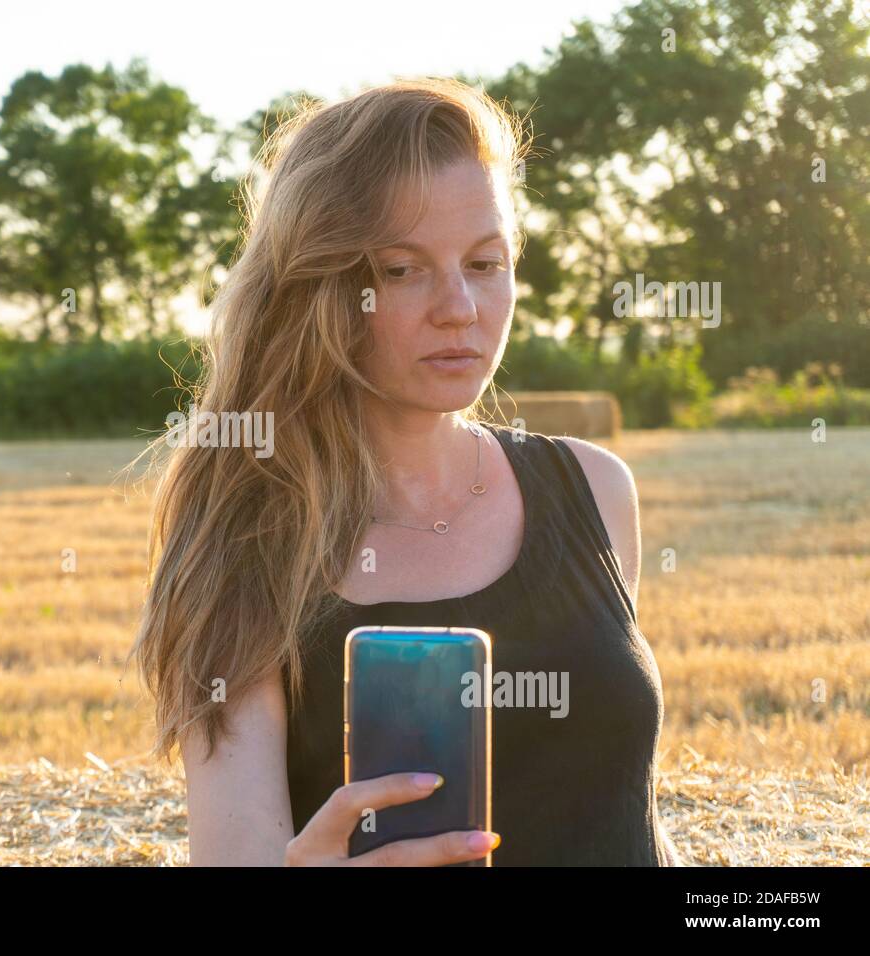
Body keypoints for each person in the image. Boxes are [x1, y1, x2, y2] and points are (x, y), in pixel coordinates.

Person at [126, 76, 681, 866]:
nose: (459, 306)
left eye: (485, 263)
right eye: (400, 270)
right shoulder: (246, 536)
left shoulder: (595, 490)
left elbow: (632, 810)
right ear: (322, 289)